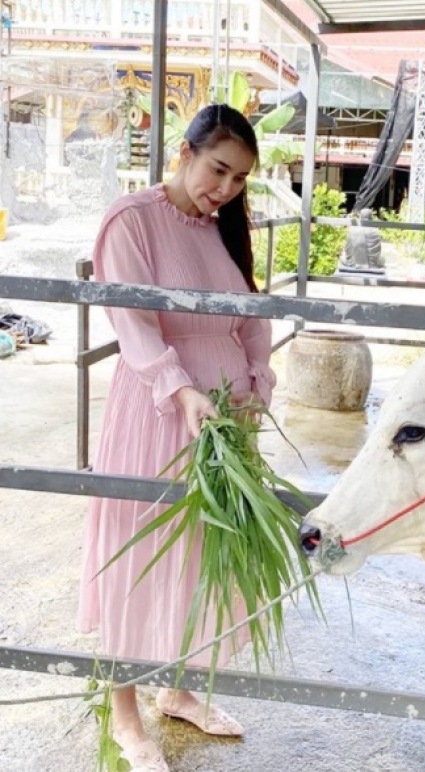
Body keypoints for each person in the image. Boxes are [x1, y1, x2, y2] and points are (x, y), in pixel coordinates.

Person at [78, 104, 276, 772]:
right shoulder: (130, 220)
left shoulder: (222, 229)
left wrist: (256, 382)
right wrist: (181, 387)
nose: (224, 188)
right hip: (159, 412)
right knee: (143, 551)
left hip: (221, 419)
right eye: (218, 169)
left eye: (239, 178)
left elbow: (250, 315)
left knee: (200, 551)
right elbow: (134, 324)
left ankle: (179, 687)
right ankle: (126, 717)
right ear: (184, 150)